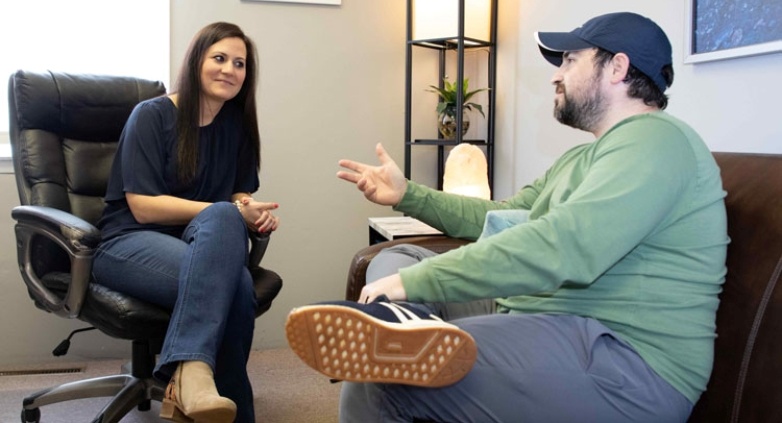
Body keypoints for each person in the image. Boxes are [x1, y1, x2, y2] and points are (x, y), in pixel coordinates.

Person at [285, 12, 728, 422]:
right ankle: (407, 329)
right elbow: (502, 216)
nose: (557, 74)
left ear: (617, 68)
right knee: (399, 256)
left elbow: (565, 245)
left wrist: (417, 285)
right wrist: (409, 195)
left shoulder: (655, 141)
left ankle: (403, 334)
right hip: (551, 317)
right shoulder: (584, 157)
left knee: (383, 379)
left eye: (571, 60)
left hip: (625, 364)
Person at [93, 22, 279, 423]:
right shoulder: (151, 115)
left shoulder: (236, 126)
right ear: (196, 61)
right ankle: (213, 391)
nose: (230, 69)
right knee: (239, 284)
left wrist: (246, 205)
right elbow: (141, 206)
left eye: (240, 63)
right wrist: (226, 211)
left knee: (228, 233)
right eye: (219, 58)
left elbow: (236, 193)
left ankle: (195, 381)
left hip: (199, 243)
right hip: (129, 243)